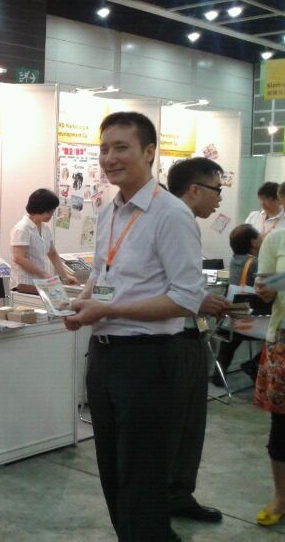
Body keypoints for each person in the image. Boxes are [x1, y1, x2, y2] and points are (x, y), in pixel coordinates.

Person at [64, 112, 205, 542]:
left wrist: (107, 310)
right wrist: (84, 300)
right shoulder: (110, 210)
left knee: (142, 472)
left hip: (148, 360)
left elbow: (185, 299)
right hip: (105, 355)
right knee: (112, 467)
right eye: (104, 148)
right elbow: (103, 273)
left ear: (149, 152)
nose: (110, 158)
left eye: (121, 147)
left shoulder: (171, 214)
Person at [166, 157, 231, 523]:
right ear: (194, 189)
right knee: (177, 425)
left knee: (189, 424)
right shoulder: (174, 219)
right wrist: (198, 300)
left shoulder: (181, 220)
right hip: (173, 338)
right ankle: (166, 499)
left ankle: (178, 494)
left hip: (187, 334)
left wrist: (201, 300)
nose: (219, 199)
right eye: (217, 190)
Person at [252, 218, 285, 526]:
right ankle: (281, 497)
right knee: (284, 425)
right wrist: (266, 289)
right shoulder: (277, 240)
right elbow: (264, 291)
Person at [212, 224, 262, 384]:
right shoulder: (256, 263)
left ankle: (218, 374)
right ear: (253, 242)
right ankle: (254, 364)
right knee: (279, 335)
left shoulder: (233, 261)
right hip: (253, 322)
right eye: (260, 237)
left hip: (232, 321)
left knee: (230, 343)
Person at [10, 188, 79, 294]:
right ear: (39, 208)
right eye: (49, 212)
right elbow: (18, 258)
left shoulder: (45, 228)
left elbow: (52, 253)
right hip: (24, 284)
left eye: (52, 211)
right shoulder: (22, 229)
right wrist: (43, 273)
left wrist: (65, 276)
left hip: (40, 283)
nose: (51, 215)